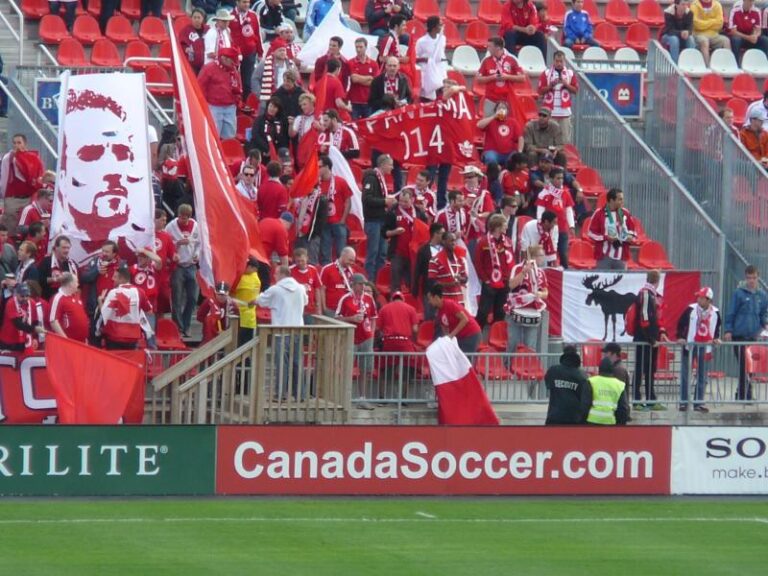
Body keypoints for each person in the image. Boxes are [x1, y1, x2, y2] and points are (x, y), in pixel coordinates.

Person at [51, 89, 153, 264]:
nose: (112, 172)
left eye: (121, 153)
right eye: (92, 155)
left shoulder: (134, 249)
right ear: (63, 178)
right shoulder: (59, 249)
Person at [257, 264, 308, 399]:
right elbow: (306, 302)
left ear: (281, 275)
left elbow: (261, 301)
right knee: (297, 363)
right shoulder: (301, 288)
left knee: (281, 364)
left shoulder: (275, 290)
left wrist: (254, 300)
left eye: (276, 274)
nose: (274, 276)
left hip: (281, 331)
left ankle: (280, 394)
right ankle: (300, 394)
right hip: (297, 330)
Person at [724, 264, 768, 401]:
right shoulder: (739, 293)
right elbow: (731, 312)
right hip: (739, 335)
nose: (751, 281)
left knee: (751, 367)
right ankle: (745, 395)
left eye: (754, 278)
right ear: (745, 278)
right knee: (744, 365)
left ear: (758, 278)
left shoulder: (762, 295)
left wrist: (765, 325)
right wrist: (728, 330)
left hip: (753, 336)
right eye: (749, 278)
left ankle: (742, 393)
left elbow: (763, 314)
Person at [676, 286, 721, 412]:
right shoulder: (691, 309)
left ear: (708, 300)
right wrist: (680, 337)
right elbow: (681, 324)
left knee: (702, 375)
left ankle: (698, 402)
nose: (699, 299)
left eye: (701, 298)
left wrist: (716, 338)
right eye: (699, 297)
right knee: (685, 374)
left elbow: (717, 329)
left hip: (705, 346)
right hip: (690, 345)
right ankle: (684, 402)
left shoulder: (716, 313)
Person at [336, 273, 378, 406]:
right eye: (360, 284)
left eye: (364, 284)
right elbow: (337, 317)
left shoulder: (369, 298)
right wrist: (351, 319)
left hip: (366, 337)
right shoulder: (345, 299)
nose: (363, 286)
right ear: (353, 284)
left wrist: (371, 333)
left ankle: (362, 397)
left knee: (365, 369)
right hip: (351, 336)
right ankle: (344, 397)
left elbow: (373, 317)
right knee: (347, 367)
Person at [632, 269, 669, 410]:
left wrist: (661, 332)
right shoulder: (646, 294)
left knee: (649, 369)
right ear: (657, 281)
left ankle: (650, 399)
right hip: (645, 339)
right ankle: (636, 400)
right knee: (641, 368)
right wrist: (651, 339)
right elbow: (645, 318)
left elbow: (656, 317)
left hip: (649, 339)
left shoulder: (652, 295)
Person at [505, 245, 547, 354]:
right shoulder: (517, 268)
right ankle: (508, 367)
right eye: (540, 255)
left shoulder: (541, 273)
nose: (543, 258)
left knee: (530, 345)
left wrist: (540, 294)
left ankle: (528, 368)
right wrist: (524, 272)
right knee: (512, 343)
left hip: (533, 310)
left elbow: (546, 293)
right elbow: (511, 285)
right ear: (532, 257)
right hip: (516, 309)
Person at [165, 204, 200, 337]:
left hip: (191, 265)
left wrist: (197, 254)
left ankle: (186, 324)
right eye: (180, 217)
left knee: (192, 297)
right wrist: (177, 244)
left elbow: (199, 243)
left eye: (185, 218)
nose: (182, 220)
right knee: (177, 298)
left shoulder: (195, 226)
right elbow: (167, 245)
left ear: (189, 217)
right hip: (177, 266)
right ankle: (178, 327)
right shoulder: (171, 227)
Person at [474, 214, 514, 329]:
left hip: (504, 282)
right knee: (483, 312)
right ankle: (476, 336)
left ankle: (496, 337)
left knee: (500, 313)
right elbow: (478, 263)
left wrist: (509, 278)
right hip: (489, 283)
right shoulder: (483, 242)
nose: (506, 227)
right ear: (497, 227)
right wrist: (485, 280)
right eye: (504, 224)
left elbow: (511, 260)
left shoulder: (508, 241)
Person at [98, 266, 152, 350]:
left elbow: (104, 315)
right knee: (128, 362)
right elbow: (149, 311)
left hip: (114, 336)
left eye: (115, 277)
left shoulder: (113, 292)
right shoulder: (139, 292)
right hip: (132, 337)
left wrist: (100, 301)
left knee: (115, 362)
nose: (112, 279)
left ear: (122, 279)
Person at [0, 134, 44, 236]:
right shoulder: (9, 157)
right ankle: (9, 245)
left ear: (25, 144)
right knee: (9, 225)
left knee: (28, 224)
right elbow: (4, 177)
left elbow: (39, 175)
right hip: (12, 198)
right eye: (14, 143)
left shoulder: (34, 158)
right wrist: (4, 195)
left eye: (19, 142)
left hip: (29, 197)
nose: (16, 145)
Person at [384, 188, 426, 293]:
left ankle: (412, 306)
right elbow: (384, 232)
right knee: (395, 283)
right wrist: (395, 232)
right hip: (398, 253)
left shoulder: (418, 212)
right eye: (400, 201)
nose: (402, 203)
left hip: (414, 254)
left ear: (412, 199)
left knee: (412, 283)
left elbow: (426, 230)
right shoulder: (392, 212)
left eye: (405, 201)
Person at [362, 154, 397, 281]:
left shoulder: (380, 178)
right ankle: (369, 282)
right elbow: (367, 199)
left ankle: (379, 281)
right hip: (373, 221)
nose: (392, 167)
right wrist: (384, 202)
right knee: (373, 253)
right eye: (390, 164)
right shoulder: (371, 178)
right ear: (382, 164)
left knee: (382, 254)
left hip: (381, 220)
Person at [588, 187, 638, 270]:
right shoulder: (599, 213)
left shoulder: (625, 212)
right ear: (611, 200)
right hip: (604, 256)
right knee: (602, 281)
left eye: (622, 199)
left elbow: (633, 232)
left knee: (620, 282)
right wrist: (606, 237)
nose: (622, 202)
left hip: (621, 256)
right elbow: (591, 233)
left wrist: (630, 237)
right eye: (620, 199)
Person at [197, 47, 242, 139]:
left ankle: (227, 153)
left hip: (230, 107)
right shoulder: (209, 68)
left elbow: (238, 85)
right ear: (224, 58)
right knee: (213, 136)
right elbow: (200, 88)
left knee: (230, 137)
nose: (233, 63)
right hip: (214, 107)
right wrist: (203, 106)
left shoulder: (233, 70)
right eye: (232, 60)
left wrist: (237, 100)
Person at [477, 37, 526, 116]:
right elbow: (478, 79)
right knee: (488, 124)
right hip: (491, 99)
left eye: (490, 46)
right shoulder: (486, 61)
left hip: (506, 100)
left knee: (505, 125)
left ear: (498, 47)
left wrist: (507, 77)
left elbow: (522, 78)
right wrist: (492, 77)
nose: (487, 49)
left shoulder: (512, 60)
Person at [536, 168, 575, 268]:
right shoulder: (544, 193)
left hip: (562, 228)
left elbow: (569, 210)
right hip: (548, 229)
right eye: (558, 178)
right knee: (548, 253)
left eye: (562, 178)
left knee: (563, 253)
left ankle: (565, 274)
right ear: (551, 179)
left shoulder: (565, 192)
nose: (560, 180)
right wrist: (541, 224)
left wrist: (571, 226)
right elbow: (540, 210)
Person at [317, 155, 352, 265]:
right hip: (324, 223)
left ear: (327, 167)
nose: (317, 169)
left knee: (341, 252)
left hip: (338, 222)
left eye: (320, 166)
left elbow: (348, 201)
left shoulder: (340, 181)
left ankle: (342, 275)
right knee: (325, 253)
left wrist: (343, 219)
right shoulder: (316, 184)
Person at [538, 50, 578, 144]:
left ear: (564, 62)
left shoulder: (570, 73)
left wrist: (566, 84)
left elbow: (575, 90)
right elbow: (540, 91)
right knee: (549, 140)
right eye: (557, 61)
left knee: (565, 141)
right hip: (550, 113)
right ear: (553, 61)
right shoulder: (546, 73)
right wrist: (551, 86)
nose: (559, 63)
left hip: (565, 113)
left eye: (561, 61)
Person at [427, 284, 481, 353]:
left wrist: (451, 335)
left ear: (436, 297)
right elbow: (445, 330)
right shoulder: (439, 313)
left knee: (466, 362)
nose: (429, 302)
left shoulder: (449, 304)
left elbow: (464, 319)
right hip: (460, 337)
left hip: (471, 335)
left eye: (430, 299)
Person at [544, 345, 591, 425]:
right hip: (574, 419)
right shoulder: (581, 376)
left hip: (554, 417)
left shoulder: (553, 371)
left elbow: (548, 385)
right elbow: (585, 400)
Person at [230, 0, 264, 100]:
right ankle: (235, 103)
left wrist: (260, 52)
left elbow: (258, 35)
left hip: (250, 53)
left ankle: (247, 104)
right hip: (234, 54)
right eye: (244, 2)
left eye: (248, 2)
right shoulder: (230, 16)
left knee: (247, 81)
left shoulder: (253, 16)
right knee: (234, 80)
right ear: (237, 2)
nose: (247, 4)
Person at [412, 222, 444, 319]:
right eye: (442, 233)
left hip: (445, 289)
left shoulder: (446, 248)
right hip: (429, 289)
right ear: (435, 234)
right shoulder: (423, 250)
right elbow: (418, 270)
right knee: (430, 316)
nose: (444, 235)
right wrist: (415, 288)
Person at [0, 282, 45, 352]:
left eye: (27, 296)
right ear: (16, 294)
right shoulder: (11, 303)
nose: (25, 298)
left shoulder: (32, 303)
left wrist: (35, 337)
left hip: (23, 341)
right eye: (22, 296)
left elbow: (35, 321)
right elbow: (18, 324)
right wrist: (34, 329)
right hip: (8, 341)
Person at [428, 231, 469, 306]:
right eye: (451, 240)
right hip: (444, 302)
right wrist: (448, 284)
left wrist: (461, 279)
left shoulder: (460, 259)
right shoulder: (435, 260)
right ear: (443, 242)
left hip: (460, 301)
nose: (454, 243)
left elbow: (466, 279)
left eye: (455, 240)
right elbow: (432, 283)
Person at [477, 101, 524, 166]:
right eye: (499, 108)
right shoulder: (491, 121)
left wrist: (520, 151)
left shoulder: (513, 122)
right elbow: (479, 125)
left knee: (515, 160)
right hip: (492, 152)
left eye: (504, 108)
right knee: (491, 159)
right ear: (495, 110)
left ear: (507, 111)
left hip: (508, 153)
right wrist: (494, 116)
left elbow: (520, 137)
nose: (502, 110)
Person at [587, 358, 630, 425]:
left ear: (599, 369)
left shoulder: (591, 381)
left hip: (592, 421)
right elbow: (623, 408)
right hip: (611, 422)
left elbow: (585, 404)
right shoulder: (619, 385)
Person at [415, 16, 448, 102]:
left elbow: (441, 54)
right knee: (427, 96)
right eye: (440, 25)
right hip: (427, 71)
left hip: (440, 69)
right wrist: (425, 60)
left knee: (441, 93)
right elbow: (415, 57)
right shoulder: (421, 41)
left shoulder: (442, 39)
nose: (442, 27)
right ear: (434, 27)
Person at [49, 272, 89, 342]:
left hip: (81, 342)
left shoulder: (77, 297)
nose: (78, 284)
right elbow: (53, 321)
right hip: (68, 342)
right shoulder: (58, 298)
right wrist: (65, 339)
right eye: (76, 282)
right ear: (70, 284)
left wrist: (85, 337)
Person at [233, 256, 262, 345]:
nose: (244, 268)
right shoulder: (246, 276)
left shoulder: (252, 279)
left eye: (247, 266)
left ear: (253, 268)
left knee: (243, 342)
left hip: (245, 315)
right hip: (239, 314)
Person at [319, 246, 357, 316]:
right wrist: (323, 308)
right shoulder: (327, 269)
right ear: (343, 256)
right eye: (350, 260)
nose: (352, 263)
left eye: (353, 261)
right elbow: (321, 289)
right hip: (331, 309)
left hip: (346, 311)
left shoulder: (352, 272)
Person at [39, 234, 78, 300]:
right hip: (49, 299)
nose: (66, 250)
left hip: (67, 300)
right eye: (64, 248)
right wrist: (55, 279)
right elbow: (39, 280)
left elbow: (79, 284)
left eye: (68, 248)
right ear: (56, 248)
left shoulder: (72, 264)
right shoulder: (46, 261)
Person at [691, 0, 729, 67]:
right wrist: (713, 21)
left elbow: (720, 24)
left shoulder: (717, 5)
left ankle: (727, 66)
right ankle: (707, 68)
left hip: (714, 34)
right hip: (699, 34)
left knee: (726, 41)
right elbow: (696, 24)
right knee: (704, 41)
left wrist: (704, 23)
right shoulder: (694, 5)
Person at [349, 37, 380, 120]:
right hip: (354, 101)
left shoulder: (373, 64)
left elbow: (375, 82)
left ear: (366, 47)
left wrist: (359, 78)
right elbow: (354, 79)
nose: (358, 49)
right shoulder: (350, 63)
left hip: (368, 101)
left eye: (360, 47)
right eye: (356, 47)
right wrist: (369, 78)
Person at [290, 247, 322, 323]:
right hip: (295, 309)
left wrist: (318, 307)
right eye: (298, 261)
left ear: (307, 258)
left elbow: (317, 289)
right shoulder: (290, 270)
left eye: (302, 261)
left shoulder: (313, 270)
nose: (300, 263)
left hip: (310, 309)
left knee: (310, 332)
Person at [179, 7, 209, 75]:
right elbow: (181, 44)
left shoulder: (208, 29)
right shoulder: (186, 30)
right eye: (194, 17)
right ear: (191, 18)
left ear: (203, 18)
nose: (196, 19)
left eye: (199, 17)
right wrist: (185, 49)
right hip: (192, 64)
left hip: (206, 63)